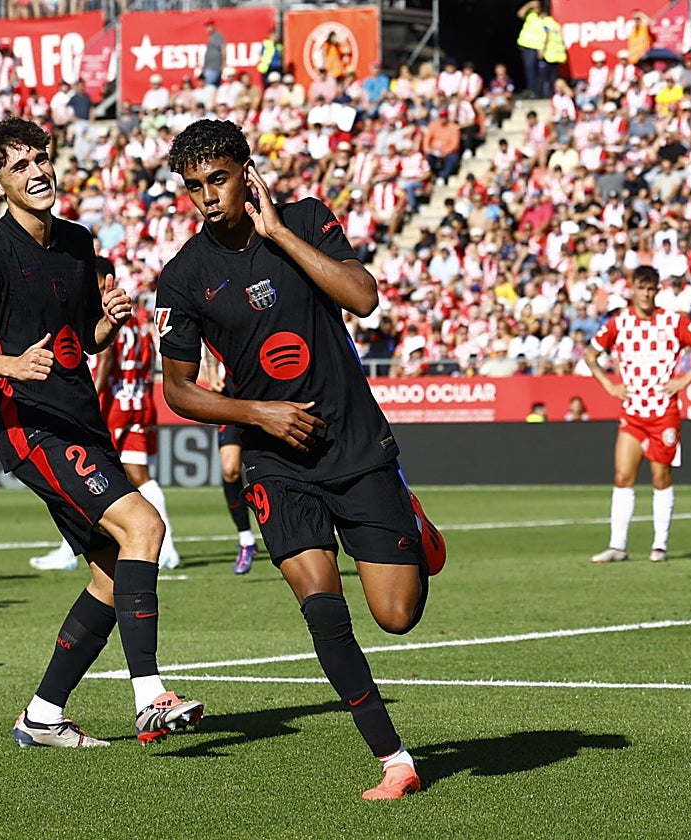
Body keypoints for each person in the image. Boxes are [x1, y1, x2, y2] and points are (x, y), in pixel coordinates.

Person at [156, 120, 445, 800]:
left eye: (219, 180)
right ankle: (395, 761)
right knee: (322, 610)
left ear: (247, 173)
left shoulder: (309, 219)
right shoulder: (183, 276)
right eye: (195, 187)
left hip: (355, 443)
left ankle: (409, 521)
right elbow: (178, 390)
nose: (208, 197)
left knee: (396, 615)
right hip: (275, 461)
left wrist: (280, 234)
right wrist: (258, 415)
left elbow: (364, 299)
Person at [0, 118, 204, 748]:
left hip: (82, 420)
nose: (37, 172)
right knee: (145, 527)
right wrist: (9, 365)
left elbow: (82, 343)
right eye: (20, 166)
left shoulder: (79, 242)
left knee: (110, 577)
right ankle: (149, 697)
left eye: (41, 159)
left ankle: (43, 714)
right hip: (34, 429)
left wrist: (107, 323)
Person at [30, 256, 182, 572]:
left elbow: (107, 358)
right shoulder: (137, 317)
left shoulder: (106, 314)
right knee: (138, 476)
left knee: (86, 477)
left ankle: (70, 550)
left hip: (112, 406)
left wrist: (90, 400)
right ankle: (167, 548)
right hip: (138, 402)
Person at [585, 265, 691, 564]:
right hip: (633, 412)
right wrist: (609, 385)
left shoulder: (673, 321)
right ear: (632, 290)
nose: (645, 294)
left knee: (660, 477)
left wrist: (684, 380)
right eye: (641, 288)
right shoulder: (619, 323)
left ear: (657, 290)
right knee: (622, 476)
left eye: (650, 288)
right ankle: (617, 546)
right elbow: (591, 355)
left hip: (663, 412)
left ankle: (660, 545)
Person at [202, 351, 259, 574]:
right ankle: (246, 540)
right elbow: (211, 339)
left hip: (264, 395)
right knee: (230, 469)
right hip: (233, 398)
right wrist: (211, 370)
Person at [516, 1, 546, 96]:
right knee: (530, 70)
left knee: (539, 70)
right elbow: (520, 14)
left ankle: (538, 91)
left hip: (538, 47)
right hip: (527, 46)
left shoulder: (543, 18)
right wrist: (529, 5)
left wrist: (542, 49)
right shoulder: (530, 15)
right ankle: (532, 90)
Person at [203, 19, 225, 88]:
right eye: (207, 26)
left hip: (214, 68)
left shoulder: (217, 36)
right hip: (209, 67)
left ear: (213, 26)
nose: (208, 28)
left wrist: (223, 65)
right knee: (215, 88)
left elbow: (223, 50)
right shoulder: (211, 37)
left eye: (209, 26)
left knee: (208, 87)